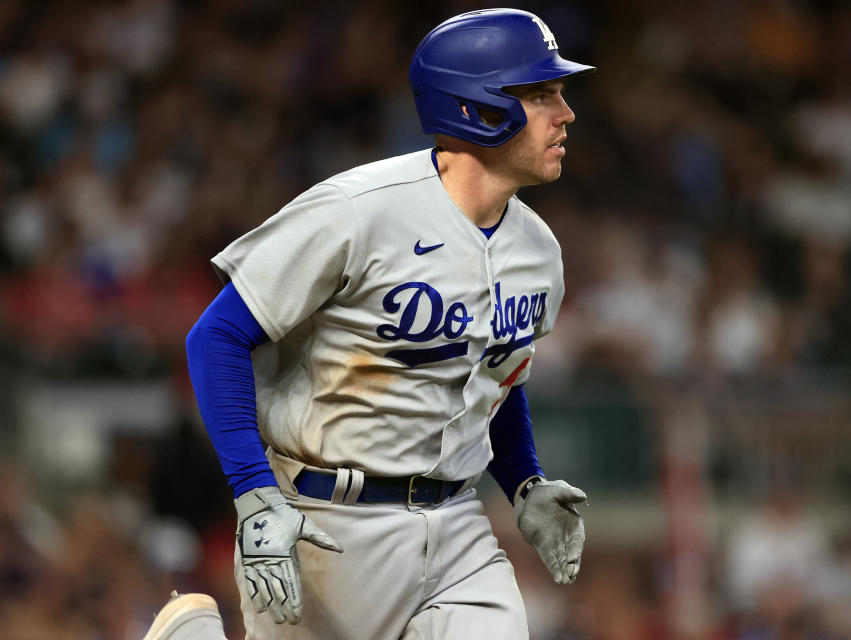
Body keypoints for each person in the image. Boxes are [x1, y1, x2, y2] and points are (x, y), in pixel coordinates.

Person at [185, 8, 594, 639]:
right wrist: (253, 491)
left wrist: (523, 481)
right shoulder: (356, 212)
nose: (565, 114)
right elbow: (216, 336)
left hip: (460, 527)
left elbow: (495, 376)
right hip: (325, 521)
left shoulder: (540, 252)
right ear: (478, 108)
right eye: (542, 95)